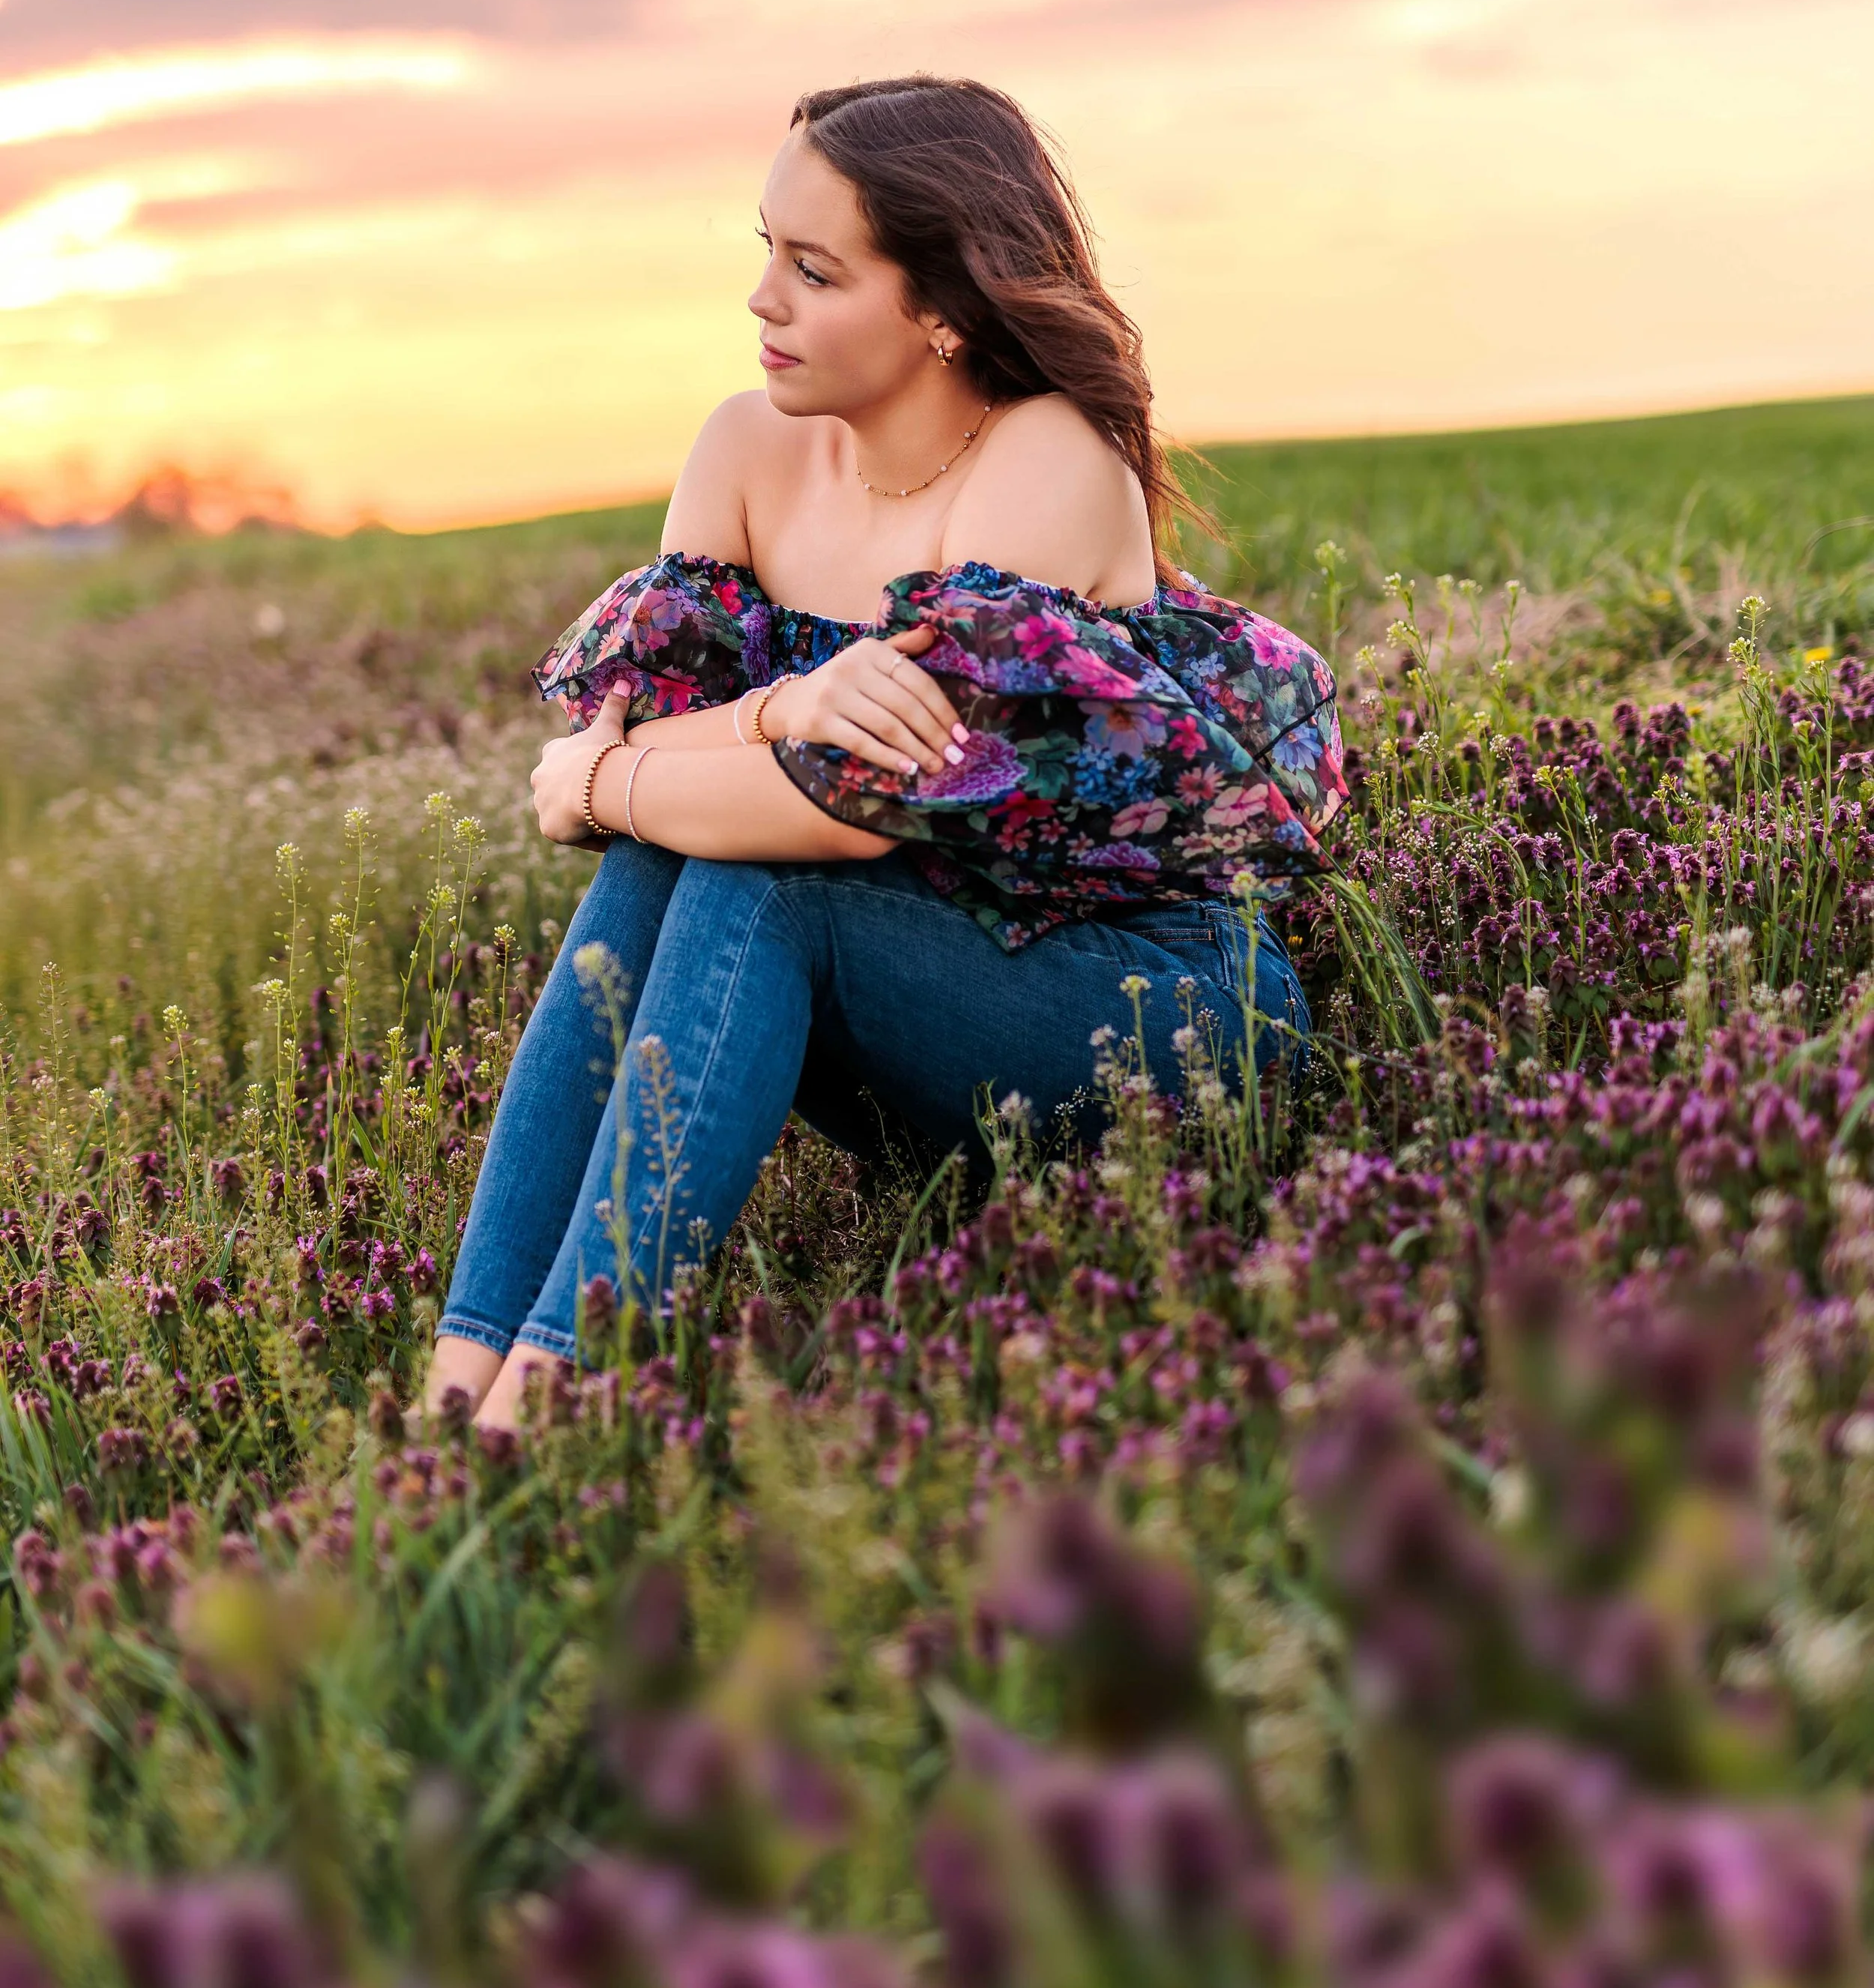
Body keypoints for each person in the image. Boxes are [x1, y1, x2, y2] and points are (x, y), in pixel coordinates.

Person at [430, 76, 1346, 1430]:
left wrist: (601, 786)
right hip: (922, 1000)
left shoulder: (1047, 460)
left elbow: (851, 818)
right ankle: (453, 1405)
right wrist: (776, 714)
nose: (763, 303)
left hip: (1149, 1007)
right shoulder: (749, 451)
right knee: (664, 874)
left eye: (815, 270)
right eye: (765, 253)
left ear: (940, 308)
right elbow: (697, 744)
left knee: (750, 867)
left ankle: (547, 1412)